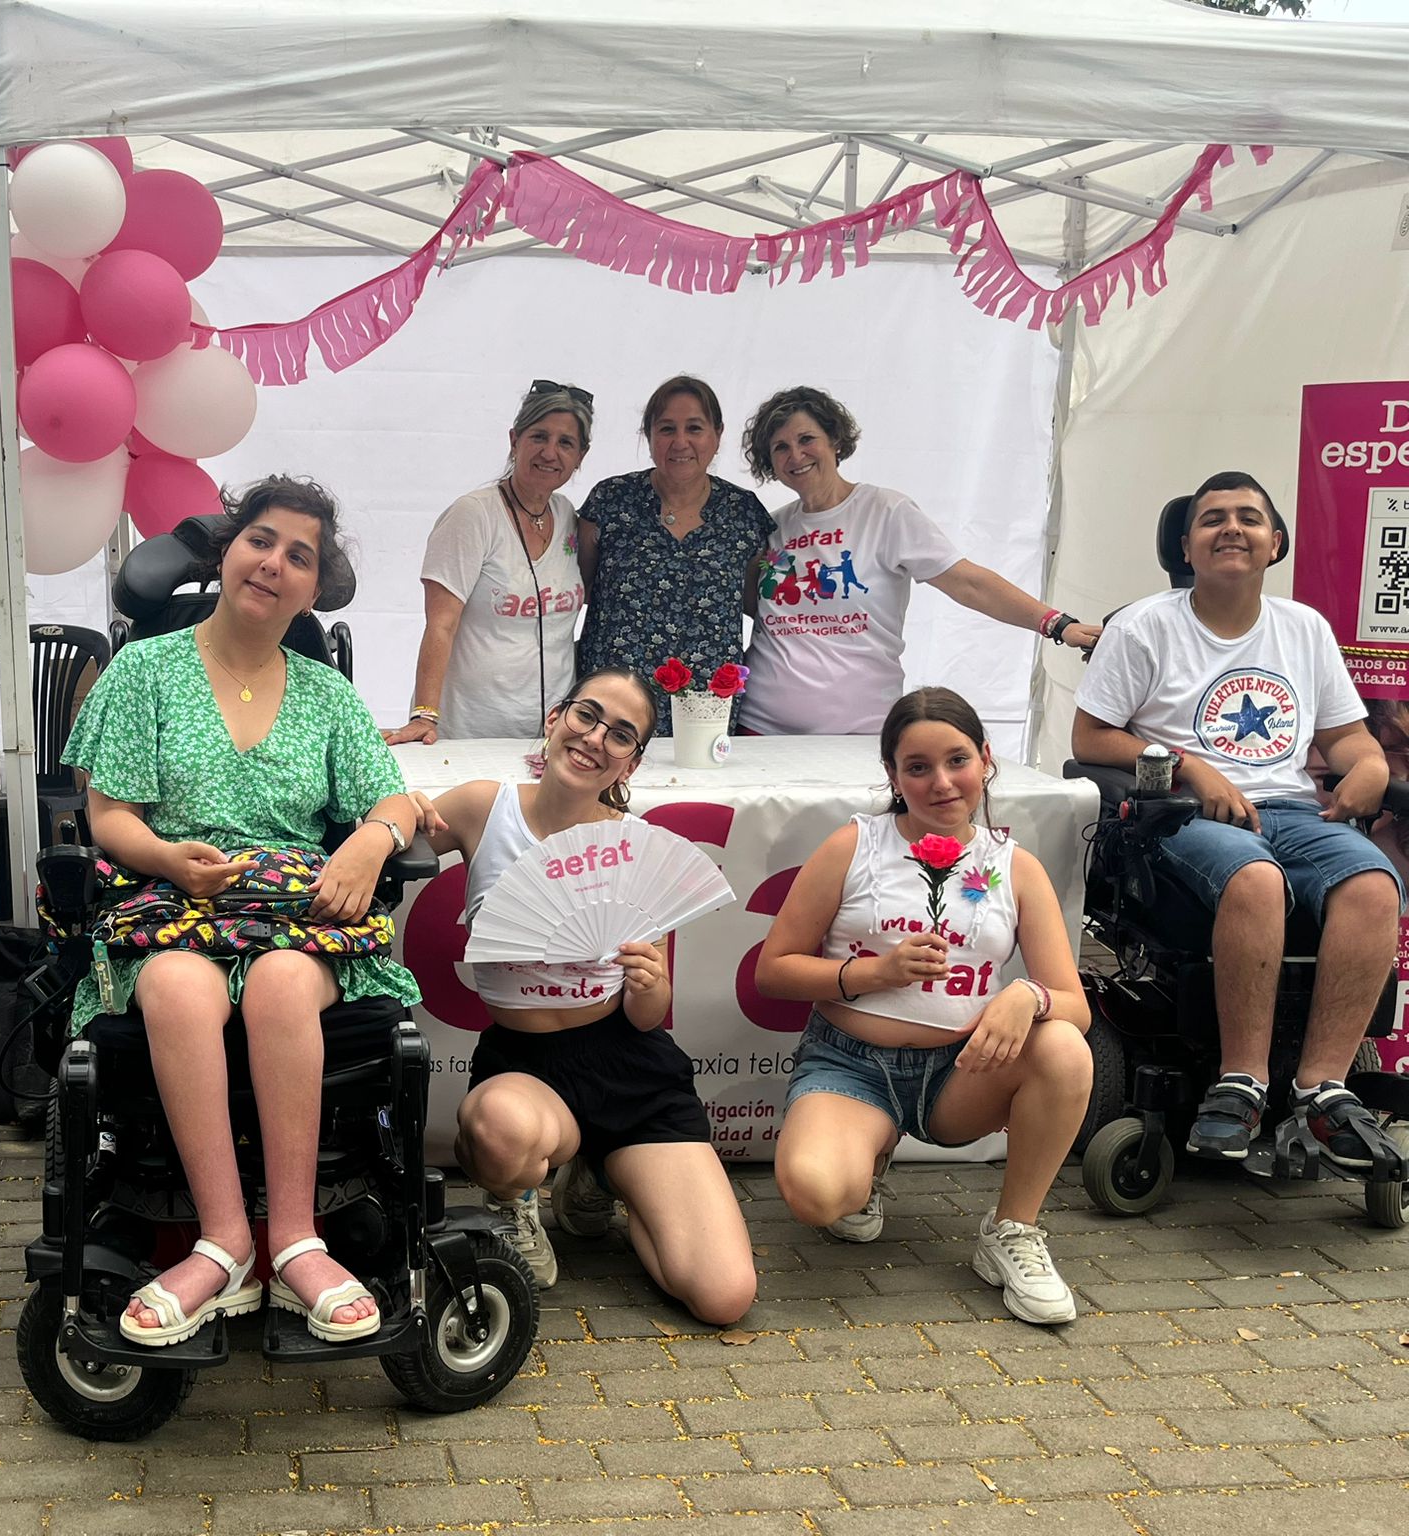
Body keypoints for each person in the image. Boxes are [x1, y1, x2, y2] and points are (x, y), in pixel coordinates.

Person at [61, 475, 423, 1347]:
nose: (274, 563)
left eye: (300, 555)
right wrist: (165, 860)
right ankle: (225, 1242)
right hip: (171, 902)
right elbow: (108, 817)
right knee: (181, 991)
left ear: (313, 585)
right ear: (227, 550)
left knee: (280, 988)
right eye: (261, 539)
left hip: (293, 916)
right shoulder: (145, 671)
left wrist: (370, 843)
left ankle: (295, 1238)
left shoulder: (328, 694)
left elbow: (397, 804)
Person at [1071, 470, 1403, 1169]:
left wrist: (1369, 765)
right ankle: (1242, 1081)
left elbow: (1346, 739)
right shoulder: (1146, 626)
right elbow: (1092, 739)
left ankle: (1323, 1088)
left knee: (1375, 885)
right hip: (1184, 815)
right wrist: (1192, 766)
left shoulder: (1303, 628)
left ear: (1274, 543)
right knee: (1254, 877)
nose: (1231, 527)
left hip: (1291, 808)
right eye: (1212, 517)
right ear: (1186, 546)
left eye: (1249, 518)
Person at [412, 666, 757, 1325]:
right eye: (588, 716)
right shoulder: (486, 808)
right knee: (499, 1133)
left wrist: (652, 985)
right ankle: (519, 1199)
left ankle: (604, 1175)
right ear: (555, 719)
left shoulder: (634, 846)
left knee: (723, 1296)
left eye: (621, 734)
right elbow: (403, 820)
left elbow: (648, 1014)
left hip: (630, 1064)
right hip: (527, 1064)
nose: (597, 737)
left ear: (631, 762)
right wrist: (381, 829)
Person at [755, 687, 1091, 1325]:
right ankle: (866, 1162)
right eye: (917, 767)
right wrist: (872, 972)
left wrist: (1029, 995)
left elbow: (1074, 1005)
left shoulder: (1015, 867)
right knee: (818, 1194)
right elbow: (774, 971)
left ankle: (1012, 1231)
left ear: (987, 760)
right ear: (892, 775)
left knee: (1063, 1048)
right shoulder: (854, 845)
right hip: (851, 1066)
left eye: (957, 760)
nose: (941, 782)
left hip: (961, 1072)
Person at [736, 386, 1100, 736]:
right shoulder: (770, 527)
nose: (795, 455)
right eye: (780, 447)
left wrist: (1055, 623)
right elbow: (752, 605)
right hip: (762, 730)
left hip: (858, 734)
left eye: (806, 439)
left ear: (835, 440)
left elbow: (967, 583)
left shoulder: (885, 512)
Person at [385, 381, 594, 744]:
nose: (549, 452)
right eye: (539, 436)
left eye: (565, 443)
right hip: (469, 734)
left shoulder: (568, 517)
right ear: (514, 440)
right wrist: (424, 716)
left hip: (552, 736)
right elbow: (440, 625)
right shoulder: (473, 515)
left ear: (580, 456)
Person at [576, 376, 773, 734]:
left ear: (717, 435)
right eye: (666, 428)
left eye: (694, 428)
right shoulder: (610, 500)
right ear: (648, 436)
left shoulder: (744, 513)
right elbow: (577, 587)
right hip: (612, 704)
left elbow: (754, 602)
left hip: (706, 708)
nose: (680, 442)